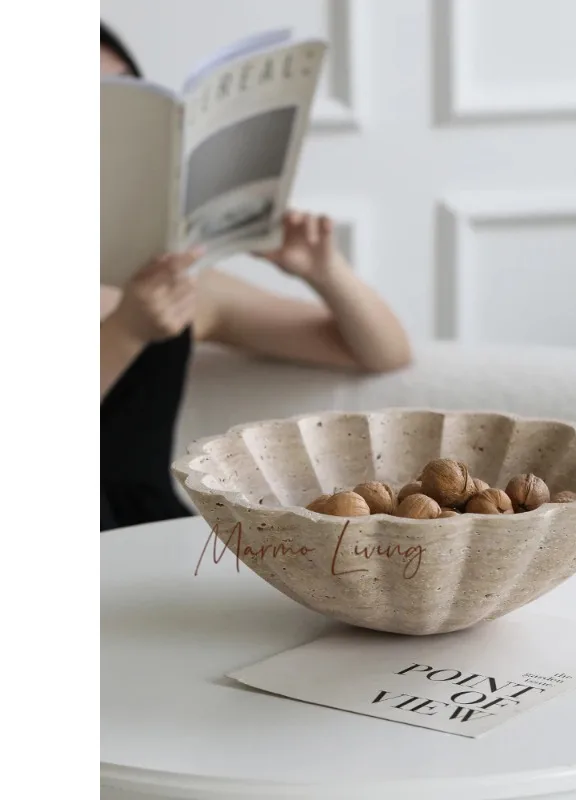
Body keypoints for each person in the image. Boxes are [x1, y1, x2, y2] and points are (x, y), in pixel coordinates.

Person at [100, 22, 412, 532]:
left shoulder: (180, 285)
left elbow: (383, 352)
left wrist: (324, 271)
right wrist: (128, 331)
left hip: (153, 541)